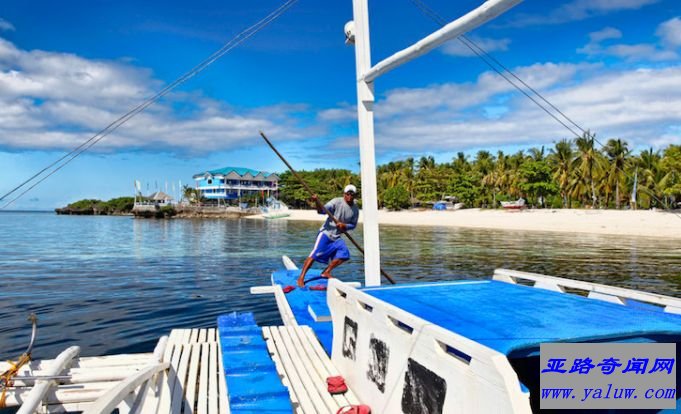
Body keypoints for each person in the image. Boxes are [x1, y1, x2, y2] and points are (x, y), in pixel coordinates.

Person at [297, 184, 360, 287]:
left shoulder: (355, 209)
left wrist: (344, 226)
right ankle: (301, 278)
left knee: (345, 255)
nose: (350, 196)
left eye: (352, 194)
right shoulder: (336, 201)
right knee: (314, 255)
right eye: (348, 193)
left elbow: (353, 225)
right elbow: (321, 211)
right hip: (326, 233)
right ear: (344, 194)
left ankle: (326, 272)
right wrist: (317, 201)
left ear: (355, 195)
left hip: (337, 237)